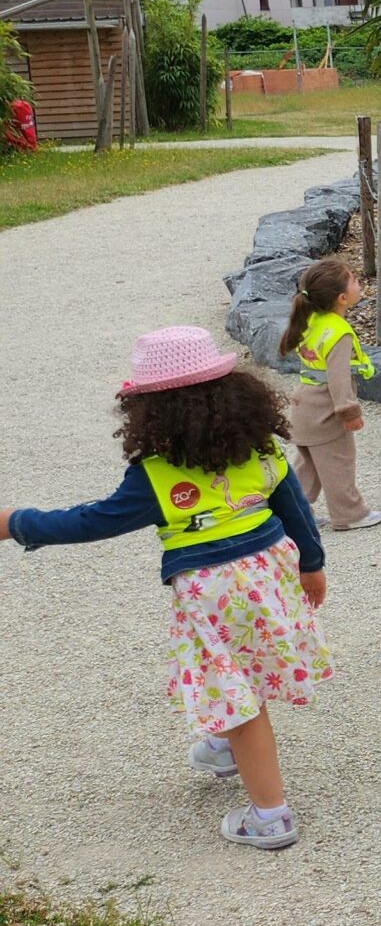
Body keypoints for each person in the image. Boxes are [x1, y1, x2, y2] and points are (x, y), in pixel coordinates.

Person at [0, 325, 327, 850]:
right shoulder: (260, 445)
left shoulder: (154, 474)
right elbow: (294, 506)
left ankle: (271, 817)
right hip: (271, 572)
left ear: (151, 411)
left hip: (212, 589)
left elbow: (92, 520)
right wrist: (312, 563)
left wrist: (17, 523)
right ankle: (224, 747)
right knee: (239, 667)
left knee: (238, 694)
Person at [280, 256, 381, 532]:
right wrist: (348, 412)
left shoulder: (310, 320)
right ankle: (349, 513)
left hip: (304, 405)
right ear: (342, 298)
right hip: (326, 412)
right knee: (338, 463)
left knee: (309, 466)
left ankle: (295, 514)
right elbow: (338, 378)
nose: (359, 284)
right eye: (355, 280)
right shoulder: (339, 333)